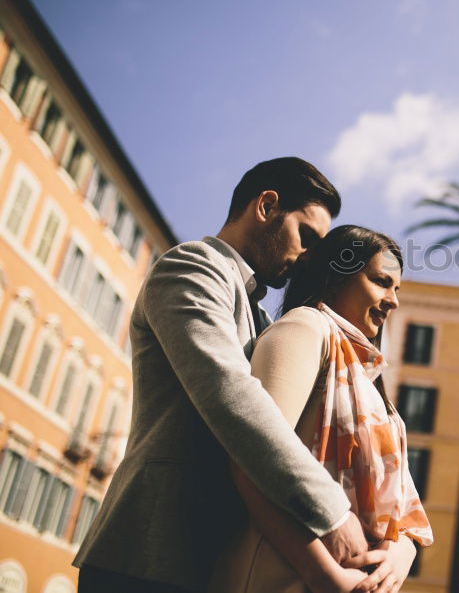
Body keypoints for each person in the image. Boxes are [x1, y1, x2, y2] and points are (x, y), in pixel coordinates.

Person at [74, 158, 371, 592]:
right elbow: (231, 396)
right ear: (267, 206)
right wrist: (332, 512)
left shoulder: (263, 318)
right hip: (148, 554)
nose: (308, 257)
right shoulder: (193, 266)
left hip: (210, 562)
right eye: (306, 236)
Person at [210, 225, 433, 593]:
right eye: (380, 281)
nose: (393, 300)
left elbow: (403, 509)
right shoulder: (305, 329)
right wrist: (321, 573)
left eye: (397, 289)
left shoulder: (368, 377)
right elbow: (252, 460)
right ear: (333, 277)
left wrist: (400, 552)